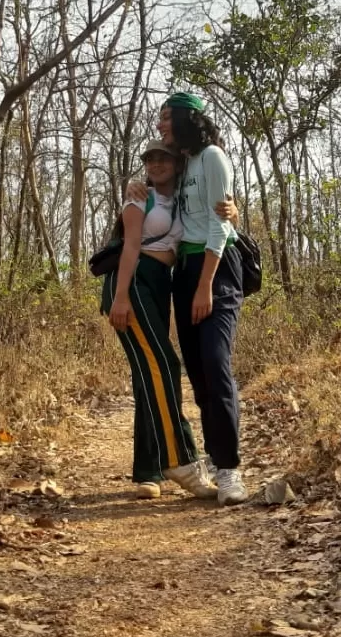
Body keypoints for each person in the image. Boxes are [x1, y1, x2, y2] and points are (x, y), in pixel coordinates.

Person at [132, 93, 247, 506]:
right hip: (185, 271)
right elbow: (166, 203)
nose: (161, 124)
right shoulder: (181, 166)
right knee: (197, 373)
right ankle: (215, 459)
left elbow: (219, 224)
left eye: (166, 118)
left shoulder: (213, 156)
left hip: (216, 270)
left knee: (216, 364)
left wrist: (205, 287)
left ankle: (230, 469)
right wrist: (137, 186)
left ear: (185, 119)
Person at [102, 139, 218, 500]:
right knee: (164, 365)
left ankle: (148, 470)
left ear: (179, 163)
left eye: (163, 158)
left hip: (159, 285)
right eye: (150, 159)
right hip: (133, 282)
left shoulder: (185, 199)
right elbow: (131, 245)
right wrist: (120, 297)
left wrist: (233, 211)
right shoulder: (139, 196)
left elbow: (214, 220)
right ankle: (181, 460)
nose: (155, 164)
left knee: (149, 373)